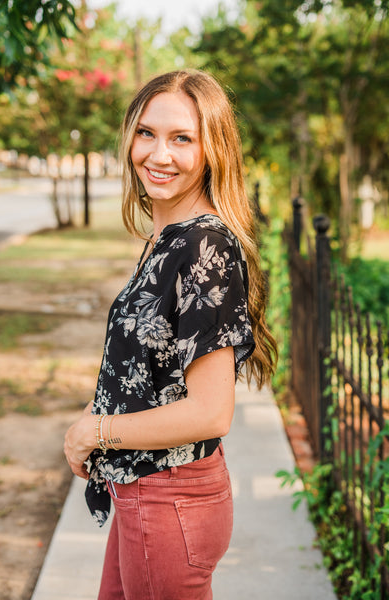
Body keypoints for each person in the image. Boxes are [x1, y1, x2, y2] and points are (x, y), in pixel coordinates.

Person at [64, 69, 277, 600]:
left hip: (170, 499)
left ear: (213, 150)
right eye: (147, 133)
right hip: (145, 491)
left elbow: (210, 411)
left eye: (182, 138)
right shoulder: (170, 234)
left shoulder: (205, 247)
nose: (159, 154)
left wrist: (97, 432)